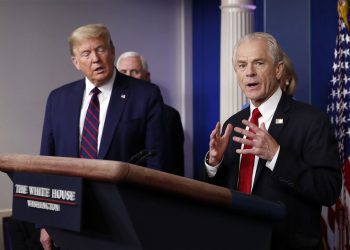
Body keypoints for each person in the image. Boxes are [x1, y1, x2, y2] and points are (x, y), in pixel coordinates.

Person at [204, 32, 341, 250]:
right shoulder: (233, 123)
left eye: (258, 63)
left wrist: (276, 155)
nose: (249, 72)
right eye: (241, 65)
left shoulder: (312, 120)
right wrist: (214, 164)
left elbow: (329, 190)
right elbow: (220, 195)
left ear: (278, 70)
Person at [39, 24, 165, 250]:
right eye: (86, 54)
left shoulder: (145, 95)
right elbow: (47, 162)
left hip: (127, 221)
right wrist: (45, 223)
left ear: (113, 51)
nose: (95, 59)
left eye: (101, 49)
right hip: (70, 221)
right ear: (75, 62)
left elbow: (157, 164)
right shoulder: (58, 99)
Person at [116, 51, 185, 176]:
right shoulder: (106, 112)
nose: (129, 77)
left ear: (147, 77)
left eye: (135, 72)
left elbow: (175, 166)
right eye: (123, 72)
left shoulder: (170, 116)